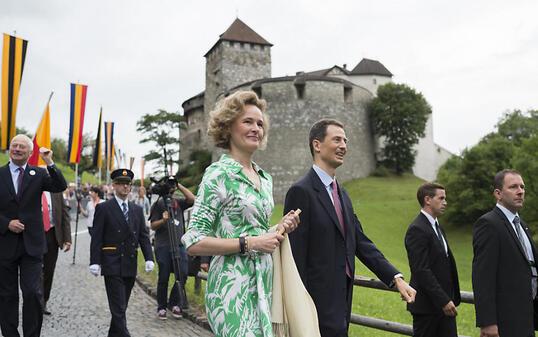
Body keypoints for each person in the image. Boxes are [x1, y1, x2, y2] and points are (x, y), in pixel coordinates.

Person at [181, 91, 300, 337]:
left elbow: (254, 232)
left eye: (259, 123)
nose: (256, 128)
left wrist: (279, 228)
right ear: (228, 126)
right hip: (231, 287)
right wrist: (251, 243)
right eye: (247, 121)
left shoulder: (265, 178)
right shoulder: (218, 174)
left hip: (264, 283)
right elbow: (194, 241)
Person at [283, 119, 416, 337]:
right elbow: (296, 257)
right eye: (337, 139)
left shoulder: (342, 194)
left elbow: (360, 243)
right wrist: (299, 309)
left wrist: (396, 279)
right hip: (312, 305)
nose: (344, 145)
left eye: (345, 140)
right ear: (317, 145)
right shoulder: (301, 192)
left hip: (343, 300)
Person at [0, 134, 67, 337]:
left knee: (32, 293)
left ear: (30, 152)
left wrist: (49, 162)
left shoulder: (38, 174)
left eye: (22, 147)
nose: (17, 149)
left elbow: (60, 185)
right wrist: (6, 223)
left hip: (32, 245)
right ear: (9, 149)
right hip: (5, 244)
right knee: (7, 295)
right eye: (14, 146)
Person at [89, 169, 155, 337]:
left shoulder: (136, 209)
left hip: (130, 262)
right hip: (112, 262)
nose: (126, 187)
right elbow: (97, 236)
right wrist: (94, 261)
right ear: (114, 186)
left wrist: (149, 257)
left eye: (128, 184)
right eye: (122, 184)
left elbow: (143, 236)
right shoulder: (104, 208)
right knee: (118, 306)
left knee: (122, 305)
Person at [472, 169, 537, 337]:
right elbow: (482, 277)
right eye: (513, 187)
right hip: (504, 322)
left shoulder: (522, 225)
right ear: (498, 193)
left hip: (527, 318)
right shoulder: (488, 224)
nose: (520, 191)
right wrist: (488, 323)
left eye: (522, 187)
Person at [405, 183, 460, 337]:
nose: (445, 202)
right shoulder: (417, 229)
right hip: (428, 309)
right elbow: (421, 270)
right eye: (441, 198)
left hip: (445, 307)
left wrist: (449, 299)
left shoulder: (437, 227)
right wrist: (443, 300)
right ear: (428, 199)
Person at [149, 177, 195, 319]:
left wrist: (178, 184)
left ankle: (174, 303)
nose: (171, 187)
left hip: (179, 244)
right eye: (170, 185)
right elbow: (152, 225)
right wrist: (163, 220)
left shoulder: (179, 203)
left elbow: (192, 199)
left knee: (183, 273)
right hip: (163, 245)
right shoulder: (159, 204)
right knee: (163, 277)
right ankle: (161, 307)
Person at [40, 181, 71, 316]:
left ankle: (44, 300)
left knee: (49, 271)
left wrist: (67, 238)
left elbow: (65, 215)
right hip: (35, 236)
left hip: (53, 236)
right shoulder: (31, 190)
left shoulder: (57, 192)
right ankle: (37, 302)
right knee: (36, 271)